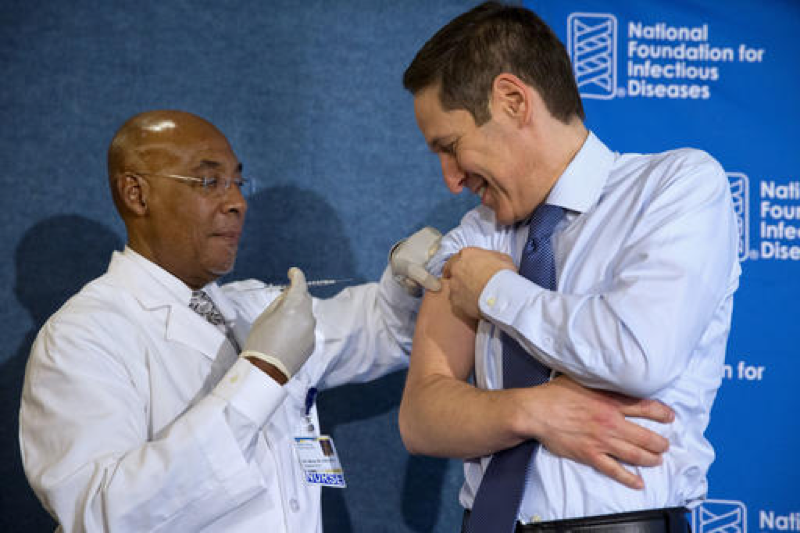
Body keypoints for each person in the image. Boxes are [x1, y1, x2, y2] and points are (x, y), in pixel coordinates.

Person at [398, 2, 740, 532]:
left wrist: (496, 291)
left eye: (451, 147)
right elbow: (421, 416)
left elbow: (638, 355)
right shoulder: (477, 234)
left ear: (513, 100)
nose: (449, 178)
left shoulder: (676, 188)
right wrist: (531, 412)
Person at [18, 109, 442, 532]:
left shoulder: (258, 307)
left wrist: (406, 283)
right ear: (137, 194)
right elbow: (101, 513)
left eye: (237, 182)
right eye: (208, 182)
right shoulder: (82, 336)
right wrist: (262, 372)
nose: (237, 202)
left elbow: (385, 329)